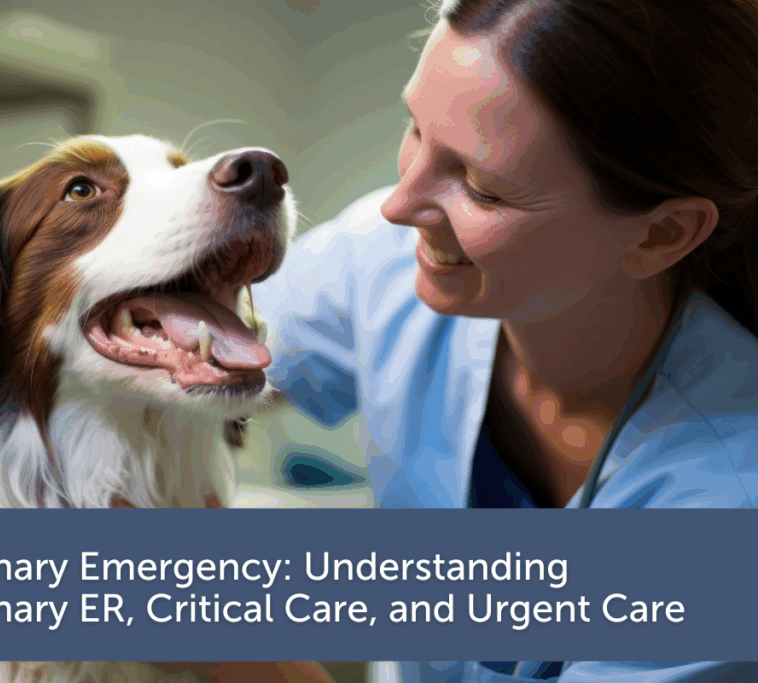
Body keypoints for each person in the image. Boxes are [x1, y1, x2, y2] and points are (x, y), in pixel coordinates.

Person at [252, 0, 758, 681]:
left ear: (659, 234)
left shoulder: (727, 503)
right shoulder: (381, 259)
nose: (399, 205)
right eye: (414, 129)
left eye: (483, 189)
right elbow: (198, 359)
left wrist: (231, 653)